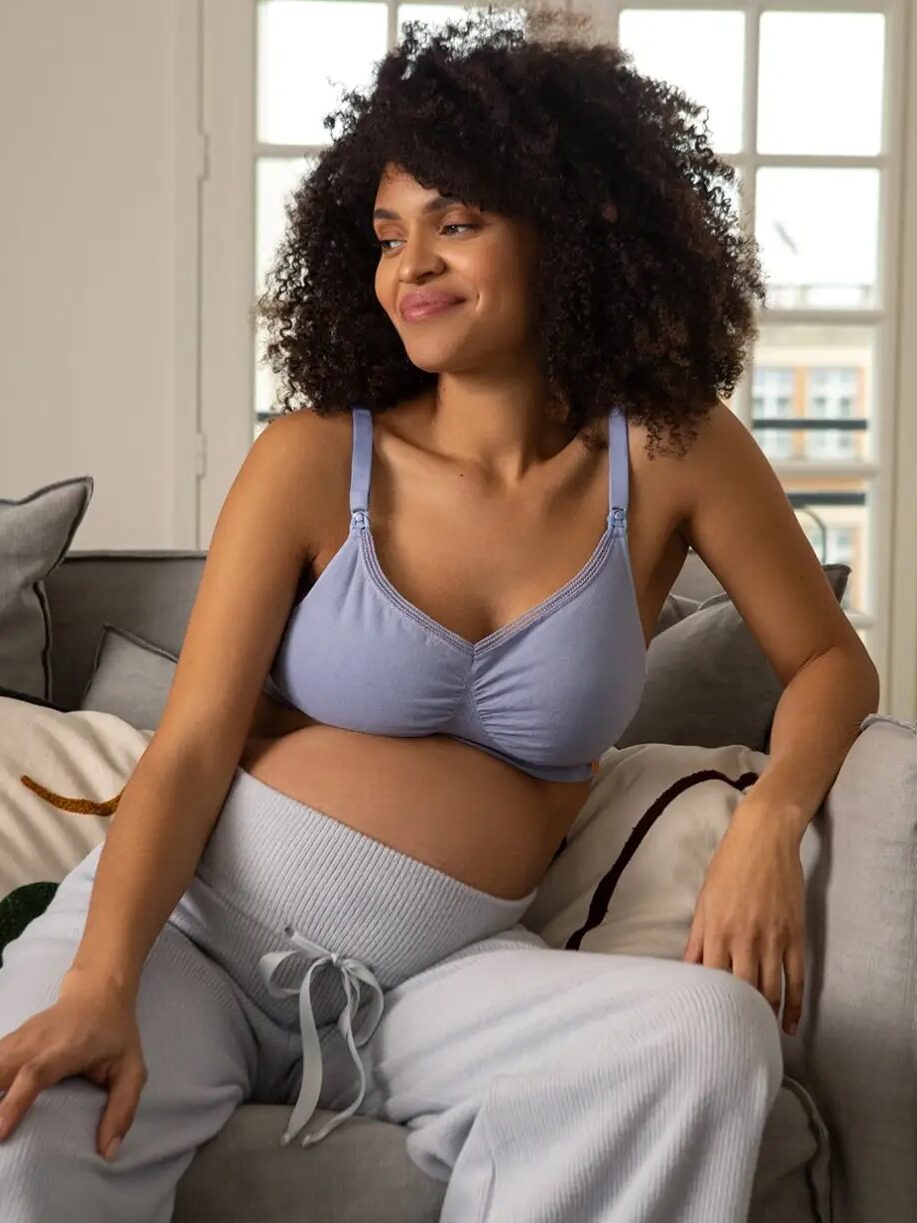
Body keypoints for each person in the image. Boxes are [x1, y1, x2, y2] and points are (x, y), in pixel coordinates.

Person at [0, 7, 879, 1221]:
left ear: (571, 230)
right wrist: (104, 975)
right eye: (385, 233)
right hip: (191, 939)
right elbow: (192, 745)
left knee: (703, 1034)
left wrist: (768, 823)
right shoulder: (313, 461)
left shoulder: (669, 450)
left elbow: (829, 660)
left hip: (445, 980)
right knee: (23, 1122)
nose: (408, 267)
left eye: (455, 225)